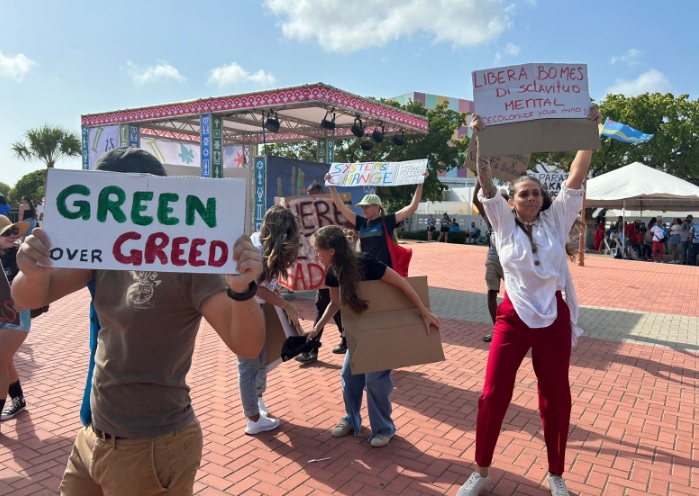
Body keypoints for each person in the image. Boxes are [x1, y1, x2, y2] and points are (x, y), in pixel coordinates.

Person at [10, 147, 266, 495]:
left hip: (151, 443)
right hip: (94, 433)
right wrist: (32, 270)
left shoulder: (190, 260)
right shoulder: (104, 250)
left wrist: (243, 288)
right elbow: (28, 297)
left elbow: (248, 345)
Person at [457, 104, 602, 496]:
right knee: (492, 394)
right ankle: (482, 473)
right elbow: (485, 179)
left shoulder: (556, 220)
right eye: (526, 193)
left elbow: (576, 175)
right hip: (513, 319)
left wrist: (590, 130)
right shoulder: (501, 222)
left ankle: (556, 475)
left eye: (538, 193)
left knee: (556, 398)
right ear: (512, 199)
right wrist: (479, 137)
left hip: (553, 317)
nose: (534, 198)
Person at [305, 226, 440, 447]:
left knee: (375, 380)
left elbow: (401, 283)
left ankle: (384, 429)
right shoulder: (332, 270)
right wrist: (317, 329)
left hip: (381, 332)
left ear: (331, 250)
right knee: (349, 376)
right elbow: (335, 303)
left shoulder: (366, 262)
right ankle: (352, 418)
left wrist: (423, 311)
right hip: (359, 333)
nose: (316, 255)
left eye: (318, 251)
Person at [239, 205, 303, 435]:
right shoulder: (255, 249)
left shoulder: (265, 247)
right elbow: (256, 288)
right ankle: (253, 419)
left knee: (261, 360)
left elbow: (267, 288)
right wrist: (285, 304)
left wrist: (284, 305)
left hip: (258, 311)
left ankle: (257, 403)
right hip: (244, 312)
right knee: (248, 365)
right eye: (285, 233)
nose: (287, 238)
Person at [326, 169, 428, 267]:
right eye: (362, 207)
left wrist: (421, 183)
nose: (363, 209)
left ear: (377, 207)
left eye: (367, 206)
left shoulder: (387, 221)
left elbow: (412, 206)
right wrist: (331, 185)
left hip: (385, 271)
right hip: (366, 270)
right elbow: (341, 207)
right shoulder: (361, 222)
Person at [296, 184, 346, 363]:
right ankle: (345, 339)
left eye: (314, 196)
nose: (310, 200)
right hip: (320, 273)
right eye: (308, 196)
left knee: (329, 305)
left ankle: (312, 349)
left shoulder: (331, 214)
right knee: (329, 305)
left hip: (334, 271)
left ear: (322, 195)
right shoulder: (308, 218)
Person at [0, 216, 31, 428]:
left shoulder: (20, 255)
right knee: (6, 361)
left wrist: (27, 298)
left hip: (18, 316)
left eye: (13, 231)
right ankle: (18, 400)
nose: (13, 235)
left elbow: (41, 281)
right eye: (6, 233)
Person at [472, 182, 508, 343]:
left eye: (505, 201)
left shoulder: (515, 220)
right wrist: (480, 179)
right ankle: (497, 329)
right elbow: (475, 200)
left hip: (511, 262)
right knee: (491, 292)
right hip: (493, 260)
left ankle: (514, 328)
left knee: (516, 295)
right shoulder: (490, 218)